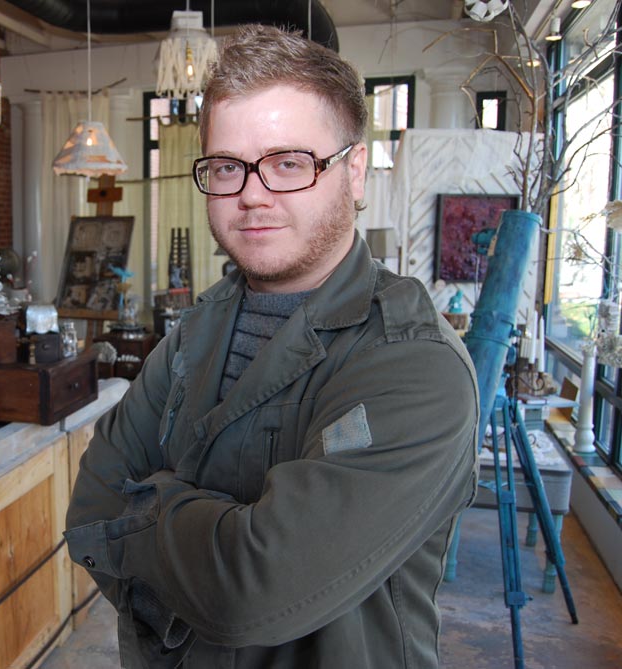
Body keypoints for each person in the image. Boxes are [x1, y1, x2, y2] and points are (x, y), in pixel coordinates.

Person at [64, 24, 480, 669]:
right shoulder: (192, 333)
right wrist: (214, 536)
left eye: (289, 163)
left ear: (355, 173)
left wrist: (149, 510)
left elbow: (250, 593)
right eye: (227, 167)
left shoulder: (415, 364)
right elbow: (90, 510)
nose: (252, 194)